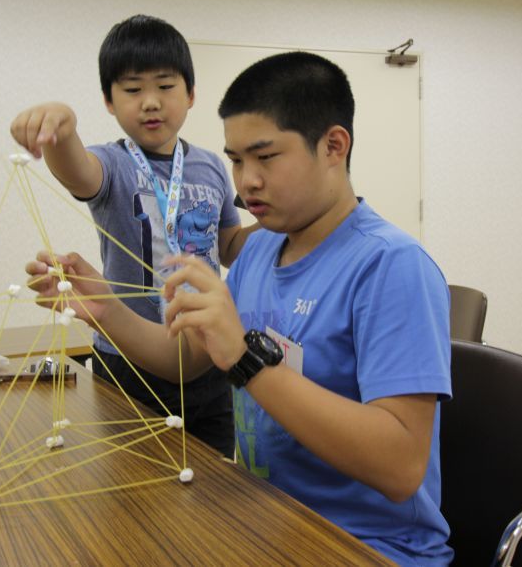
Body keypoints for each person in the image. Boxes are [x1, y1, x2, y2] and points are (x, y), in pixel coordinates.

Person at [26, 52, 454, 565]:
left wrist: (247, 361)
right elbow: (185, 362)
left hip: (366, 547)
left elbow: (402, 466)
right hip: (266, 521)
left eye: (265, 157)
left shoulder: (391, 266)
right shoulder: (258, 252)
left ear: (334, 146)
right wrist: (108, 310)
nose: (245, 181)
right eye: (235, 160)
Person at [10, 15, 256, 458]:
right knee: (135, 490)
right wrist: (61, 131)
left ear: (191, 94)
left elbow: (230, 246)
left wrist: (287, 227)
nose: (150, 102)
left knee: (217, 483)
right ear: (108, 101)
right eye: (131, 89)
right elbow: (77, 171)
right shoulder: (113, 163)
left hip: (209, 356)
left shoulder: (212, 165)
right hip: (129, 360)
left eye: (165, 86)